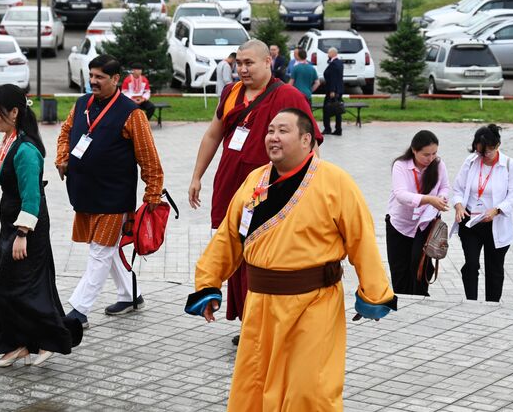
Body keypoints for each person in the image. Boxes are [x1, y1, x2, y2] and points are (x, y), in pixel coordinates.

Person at [185, 108, 397, 411]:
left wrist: (374, 294)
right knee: (253, 387)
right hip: (259, 306)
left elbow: (362, 240)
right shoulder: (254, 181)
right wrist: (208, 284)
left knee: (309, 391)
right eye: (270, 130)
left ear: (306, 140)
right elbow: (228, 237)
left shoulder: (336, 182)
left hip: (314, 305)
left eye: (283, 131)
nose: (273, 137)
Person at [188, 40, 323, 345]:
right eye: (239, 64)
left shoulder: (287, 96)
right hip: (229, 187)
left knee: (262, 258)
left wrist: (312, 188)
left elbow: (310, 143)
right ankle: (250, 320)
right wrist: (197, 175)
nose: (243, 69)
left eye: (250, 63)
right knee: (233, 253)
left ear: (268, 63)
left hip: (269, 190)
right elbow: (213, 134)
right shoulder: (232, 92)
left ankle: (264, 325)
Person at [56, 55, 164, 328]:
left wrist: (153, 193)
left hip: (114, 196)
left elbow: (149, 157)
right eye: (91, 76)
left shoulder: (132, 113)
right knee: (109, 248)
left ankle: (78, 311)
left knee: (100, 250)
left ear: (116, 80)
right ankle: (130, 295)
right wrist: (62, 157)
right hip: (84, 193)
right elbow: (66, 130)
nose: (93, 81)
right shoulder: (82, 104)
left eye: (99, 77)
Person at [0, 84, 82, 368]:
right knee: (12, 287)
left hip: (26, 230)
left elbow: (31, 196)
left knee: (25, 288)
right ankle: (19, 346)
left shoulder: (25, 149)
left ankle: (47, 340)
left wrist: (22, 234)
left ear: (14, 112)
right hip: (13, 226)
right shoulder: (11, 140)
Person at [452, 124, 513, 302]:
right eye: (479, 152)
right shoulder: (471, 161)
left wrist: (497, 210)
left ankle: (492, 306)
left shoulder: (509, 165)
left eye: (487, 152)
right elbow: (458, 188)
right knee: (471, 264)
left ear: (497, 145)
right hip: (471, 222)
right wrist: (458, 206)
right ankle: (471, 302)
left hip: (496, 224)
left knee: (494, 268)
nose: (482, 156)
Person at [386, 131, 450, 296]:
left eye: (434, 153)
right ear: (414, 150)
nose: (430, 158)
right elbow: (400, 195)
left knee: (420, 265)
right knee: (399, 270)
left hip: (426, 222)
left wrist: (441, 198)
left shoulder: (439, 165)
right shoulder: (400, 165)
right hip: (399, 224)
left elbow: (445, 187)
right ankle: (403, 304)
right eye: (426, 154)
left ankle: (421, 300)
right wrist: (429, 199)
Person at [322, 47, 344, 136]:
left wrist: (332, 90)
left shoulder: (334, 64)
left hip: (333, 90)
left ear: (333, 53)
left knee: (327, 109)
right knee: (337, 109)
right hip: (339, 89)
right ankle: (338, 129)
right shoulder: (339, 62)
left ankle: (328, 128)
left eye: (328, 53)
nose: (327, 55)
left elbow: (333, 78)